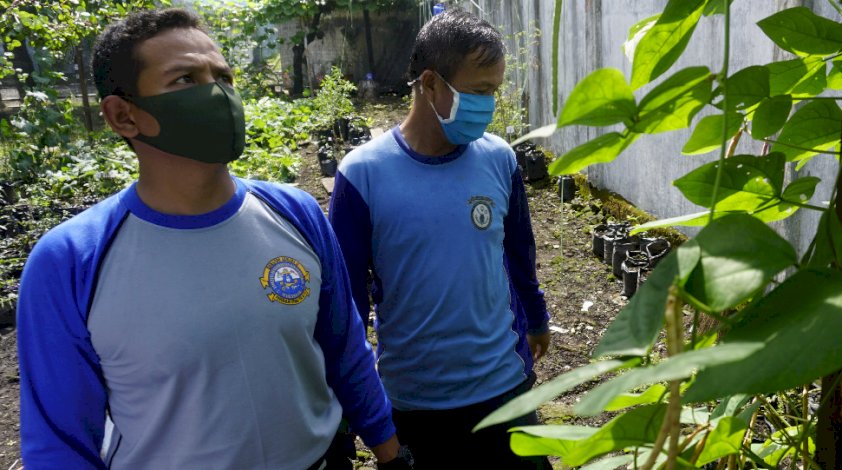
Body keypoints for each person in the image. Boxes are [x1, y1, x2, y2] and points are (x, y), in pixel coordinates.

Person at [16, 9, 411, 469]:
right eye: (185, 79)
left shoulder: (295, 213)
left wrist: (390, 454)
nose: (218, 94)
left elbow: (345, 351)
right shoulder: (72, 261)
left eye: (223, 76)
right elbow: (59, 442)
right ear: (123, 115)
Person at [328, 8, 553, 469]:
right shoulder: (362, 174)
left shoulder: (499, 160)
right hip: (416, 402)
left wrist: (536, 317)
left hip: (503, 388)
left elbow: (517, 252)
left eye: (494, 91)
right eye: (478, 92)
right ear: (430, 84)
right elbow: (348, 300)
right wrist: (351, 403)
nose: (488, 106)